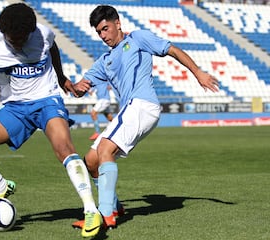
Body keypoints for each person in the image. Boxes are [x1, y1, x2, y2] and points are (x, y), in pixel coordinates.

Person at [0, 3, 101, 238]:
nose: (18, 43)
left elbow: (52, 47)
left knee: (64, 148)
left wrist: (62, 78)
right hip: (16, 109)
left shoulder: (43, 33)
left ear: (31, 32)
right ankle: (1, 186)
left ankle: (91, 210)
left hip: (47, 101)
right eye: (13, 39)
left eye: (22, 38)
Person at [72, 5, 219, 233]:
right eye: (99, 32)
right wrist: (75, 87)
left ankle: (104, 214)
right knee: (91, 161)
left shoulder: (138, 38)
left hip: (143, 105)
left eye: (105, 29)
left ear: (117, 23)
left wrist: (198, 72)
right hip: (129, 110)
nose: (103, 36)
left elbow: (173, 50)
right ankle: (115, 206)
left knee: (104, 150)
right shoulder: (105, 60)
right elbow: (82, 85)